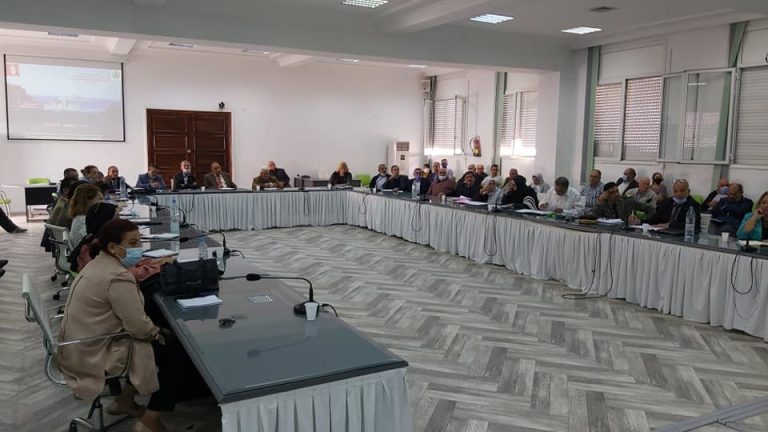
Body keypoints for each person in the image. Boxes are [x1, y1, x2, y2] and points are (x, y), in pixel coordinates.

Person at [58, 219, 208, 432]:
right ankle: (150, 418)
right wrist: (161, 333)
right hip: (96, 350)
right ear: (113, 247)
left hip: (81, 344)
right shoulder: (117, 277)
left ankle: (124, 400)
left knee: (167, 340)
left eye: (139, 241)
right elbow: (139, 328)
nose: (139, 247)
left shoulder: (100, 264)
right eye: (133, 243)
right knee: (178, 352)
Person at [631, 179, 701, 232]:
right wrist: (639, 221)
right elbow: (656, 219)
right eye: (675, 191)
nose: (678, 194)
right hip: (664, 234)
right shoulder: (667, 202)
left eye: (682, 191)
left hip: (682, 235)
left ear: (688, 191)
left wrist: (668, 225)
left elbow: (695, 225)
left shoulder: (694, 205)